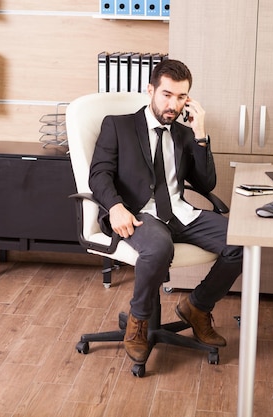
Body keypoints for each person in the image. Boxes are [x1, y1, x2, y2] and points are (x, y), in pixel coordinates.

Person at [89, 59, 243, 364]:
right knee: (159, 247)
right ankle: (139, 320)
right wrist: (115, 206)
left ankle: (197, 307)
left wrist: (200, 133)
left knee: (243, 242)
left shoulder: (184, 134)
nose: (173, 104)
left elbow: (206, 182)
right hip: (137, 213)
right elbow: (99, 174)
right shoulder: (117, 125)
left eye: (182, 97)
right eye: (167, 95)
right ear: (150, 90)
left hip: (179, 213)